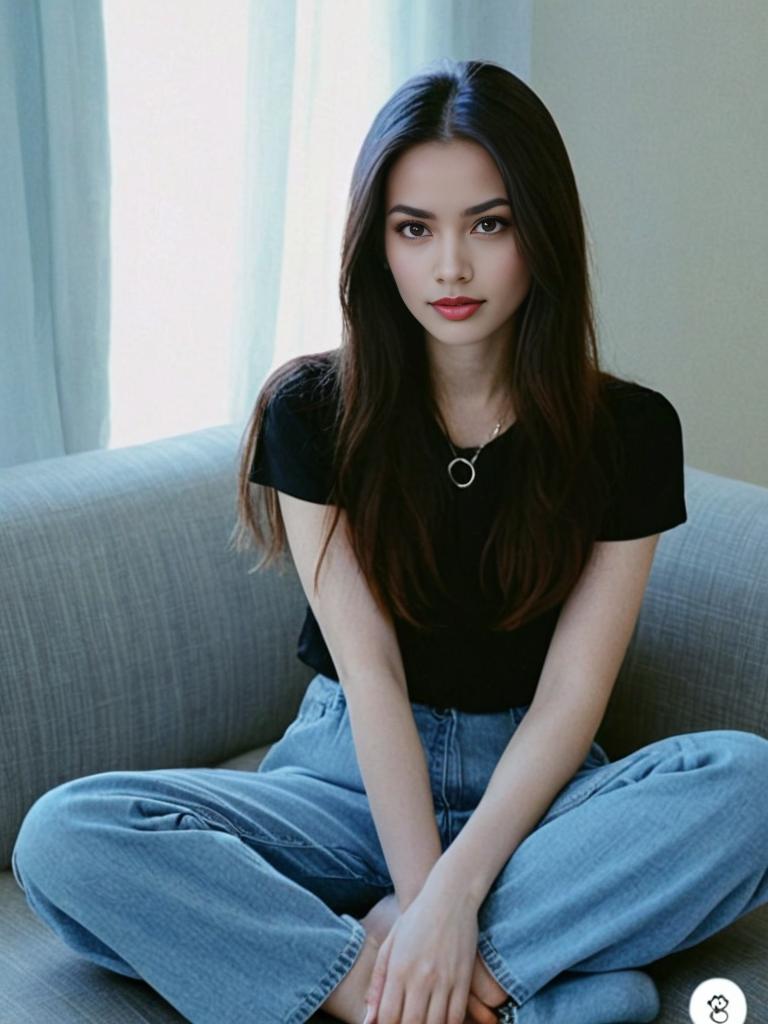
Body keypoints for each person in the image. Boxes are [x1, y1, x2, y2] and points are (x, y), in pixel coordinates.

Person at [11, 57, 768, 1024]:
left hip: (536, 791)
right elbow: (369, 672)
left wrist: (449, 900)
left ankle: (421, 974)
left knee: (749, 783)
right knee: (67, 836)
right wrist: (424, 900)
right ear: (379, 243)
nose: (450, 267)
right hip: (348, 778)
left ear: (542, 233)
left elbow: (574, 696)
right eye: (415, 229)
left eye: (488, 225)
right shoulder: (315, 411)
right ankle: (409, 990)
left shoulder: (627, 432)